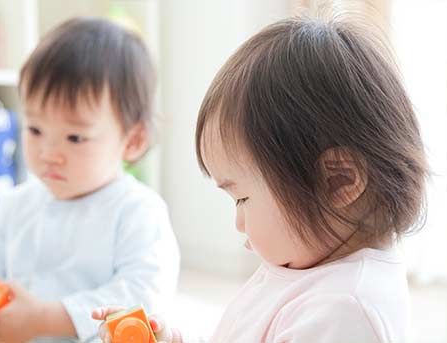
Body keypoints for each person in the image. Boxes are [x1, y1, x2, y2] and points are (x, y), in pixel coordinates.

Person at [95, 15, 427, 343]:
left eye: (242, 198)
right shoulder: (304, 268)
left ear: (338, 181)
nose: (239, 222)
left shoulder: (345, 311)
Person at [0, 17, 180, 343]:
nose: (49, 153)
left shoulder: (139, 210)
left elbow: (143, 296)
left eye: (74, 138)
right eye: (35, 130)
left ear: (133, 140)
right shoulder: (14, 206)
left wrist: (47, 319)